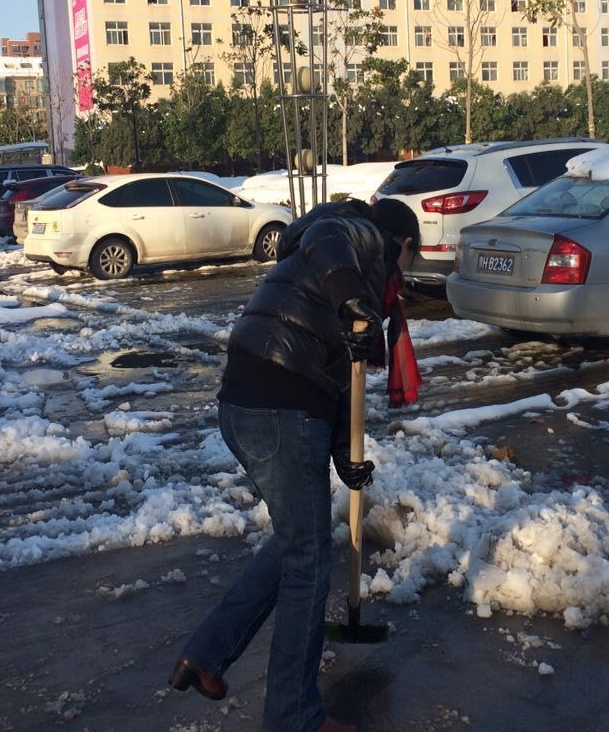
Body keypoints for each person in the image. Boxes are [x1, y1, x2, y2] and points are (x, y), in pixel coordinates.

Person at [168, 197, 420, 732]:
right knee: (308, 562)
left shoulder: (341, 270)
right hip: (280, 407)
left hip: (249, 402)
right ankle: (294, 716)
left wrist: (344, 455)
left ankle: (207, 655)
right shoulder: (357, 235)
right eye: (409, 260)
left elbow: (338, 374)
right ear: (404, 244)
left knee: (295, 543)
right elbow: (328, 234)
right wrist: (355, 299)